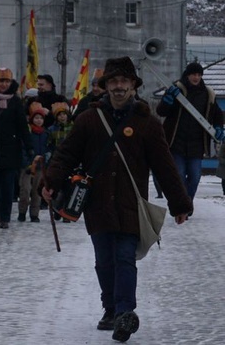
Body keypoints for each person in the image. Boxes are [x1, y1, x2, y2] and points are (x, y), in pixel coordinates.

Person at [42, 56, 192, 342]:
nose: (119, 86)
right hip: (96, 202)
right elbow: (66, 154)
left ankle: (125, 312)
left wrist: (180, 204)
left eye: (124, 81)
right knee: (103, 260)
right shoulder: (88, 119)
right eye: (113, 81)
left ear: (134, 85)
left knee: (125, 257)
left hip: (129, 203)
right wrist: (50, 181)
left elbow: (165, 166)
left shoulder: (147, 123)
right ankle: (110, 309)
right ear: (106, 86)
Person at [156, 61, 225, 208]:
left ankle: (186, 202)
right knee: (179, 176)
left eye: (199, 74)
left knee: (195, 177)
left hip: (197, 144)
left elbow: (217, 114)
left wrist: (219, 127)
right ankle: (181, 204)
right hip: (176, 142)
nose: (196, 77)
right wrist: (167, 101)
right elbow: (161, 112)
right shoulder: (176, 90)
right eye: (194, 74)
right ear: (187, 75)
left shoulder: (208, 94)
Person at [0, 67, 31, 228]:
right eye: (0, 81)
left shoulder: (16, 101)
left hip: (11, 150)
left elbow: (23, 126)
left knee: (8, 187)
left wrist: (29, 146)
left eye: (6, 81)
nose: (3, 84)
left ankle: (5, 217)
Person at [17, 103, 49, 224]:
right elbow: (23, 148)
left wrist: (46, 159)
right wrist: (26, 163)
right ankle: (22, 212)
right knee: (25, 190)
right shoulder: (28, 132)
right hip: (27, 167)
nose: (39, 120)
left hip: (41, 167)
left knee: (37, 191)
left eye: (41, 118)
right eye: (36, 118)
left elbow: (47, 148)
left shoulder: (46, 134)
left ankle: (34, 214)